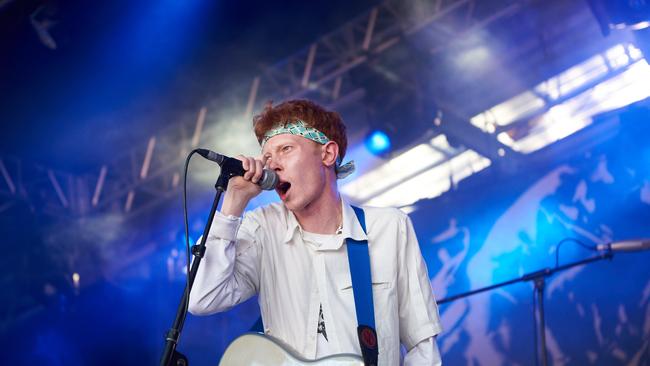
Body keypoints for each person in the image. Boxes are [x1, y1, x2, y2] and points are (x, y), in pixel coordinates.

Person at [188, 99, 443, 365]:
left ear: (328, 154)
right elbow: (202, 298)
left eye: (286, 149)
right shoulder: (262, 229)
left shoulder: (389, 228)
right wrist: (233, 204)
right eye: (267, 157)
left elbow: (422, 344)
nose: (272, 165)